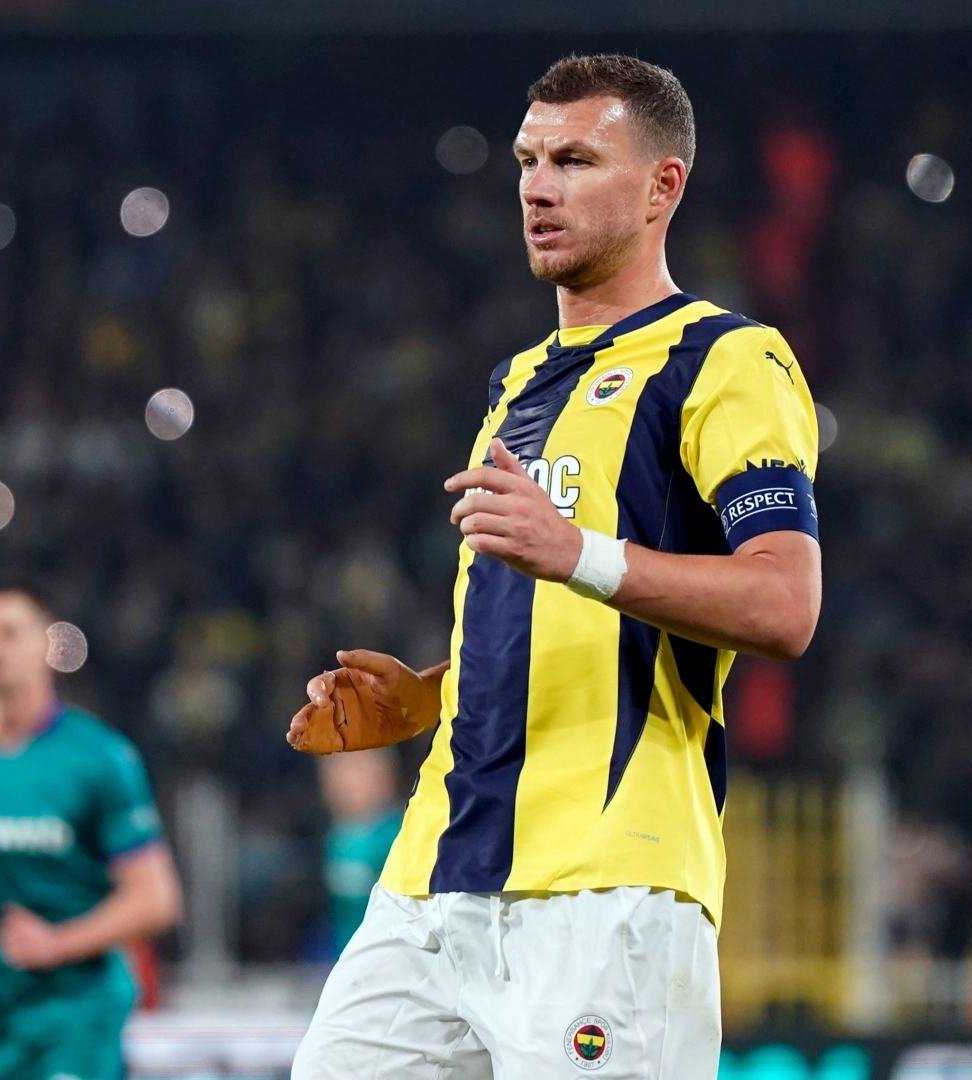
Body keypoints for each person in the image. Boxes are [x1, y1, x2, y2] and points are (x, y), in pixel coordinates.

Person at [288, 54, 823, 1079]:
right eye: (528, 161)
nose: (537, 187)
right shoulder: (519, 380)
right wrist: (429, 699)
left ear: (662, 186)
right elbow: (555, 615)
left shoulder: (723, 359)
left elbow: (784, 603)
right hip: (434, 876)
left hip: (606, 885)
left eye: (574, 161)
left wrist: (578, 552)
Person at [0, 584, 183, 1080]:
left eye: (7, 633)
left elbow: (156, 899)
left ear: (47, 646)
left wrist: (57, 943)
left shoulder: (100, 759)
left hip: (77, 1018)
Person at [318, 749, 404, 957]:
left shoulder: (398, 836)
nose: (341, 780)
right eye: (334, 769)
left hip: (392, 962)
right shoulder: (337, 836)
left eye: (355, 769)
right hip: (346, 961)